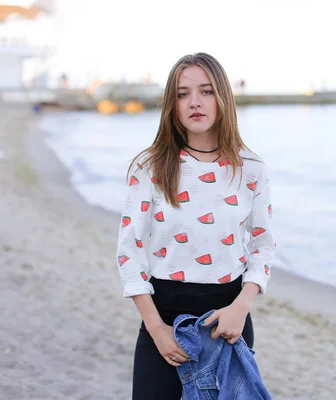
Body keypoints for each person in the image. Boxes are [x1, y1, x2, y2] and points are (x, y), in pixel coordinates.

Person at [115, 52, 276, 399]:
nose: (195, 102)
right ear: (172, 105)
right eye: (182, 94)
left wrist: (241, 307)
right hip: (164, 315)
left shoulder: (252, 168)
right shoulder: (149, 166)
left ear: (223, 98)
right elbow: (129, 250)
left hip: (228, 318)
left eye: (205, 91)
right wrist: (156, 328)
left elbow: (263, 246)